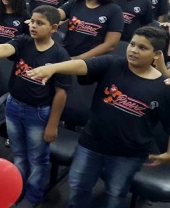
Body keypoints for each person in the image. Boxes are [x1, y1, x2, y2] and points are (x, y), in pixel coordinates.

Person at [27, 26, 170, 208]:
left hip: (128, 154)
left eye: (142, 48)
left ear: (156, 54)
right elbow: (82, 65)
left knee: (115, 193)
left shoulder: (163, 88)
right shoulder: (112, 64)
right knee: (78, 186)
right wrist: (53, 68)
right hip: (91, 144)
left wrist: (169, 153)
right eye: (132, 44)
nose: (133, 50)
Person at [0, 5, 71, 206]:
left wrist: (53, 124)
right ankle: (18, 187)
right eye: (32, 21)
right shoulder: (24, 42)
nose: (33, 26)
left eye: (40, 23)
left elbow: (61, 93)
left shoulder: (60, 56)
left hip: (39, 114)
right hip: (14, 107)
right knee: (18, 153)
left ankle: (33, 196)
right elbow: (7, 47)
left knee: (37, 159)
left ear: (54, 27)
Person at [58, 0, 124, 59]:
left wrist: (78, 59)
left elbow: (110, 45)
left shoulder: (114, 10)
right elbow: (57, 14)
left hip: (91, 63)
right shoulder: (75, 3)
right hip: (66, 56)